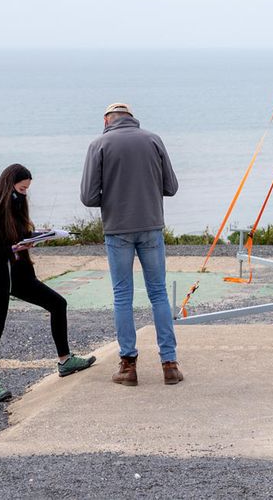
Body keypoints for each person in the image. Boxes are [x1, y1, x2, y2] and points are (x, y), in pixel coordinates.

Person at [0, 163, 97, 402]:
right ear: (9, 184)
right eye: (22, 188)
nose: (24, 193)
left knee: (57, 303)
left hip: (20, 274)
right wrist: (10, 248)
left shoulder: (17, 203)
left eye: (27, 188)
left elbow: (18, 233)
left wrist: (40, 235)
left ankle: (65, 360)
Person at [79, 102, 183, 386]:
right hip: (151, 225)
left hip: (118, 229)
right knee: (159, 294)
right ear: (132, 118)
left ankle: (128, 366)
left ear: (106, 119)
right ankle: (169, 364)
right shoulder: (153, 139)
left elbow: (88, 197)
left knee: (122, 296)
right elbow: (171, 187)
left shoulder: (98, 144)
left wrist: (113, 196)